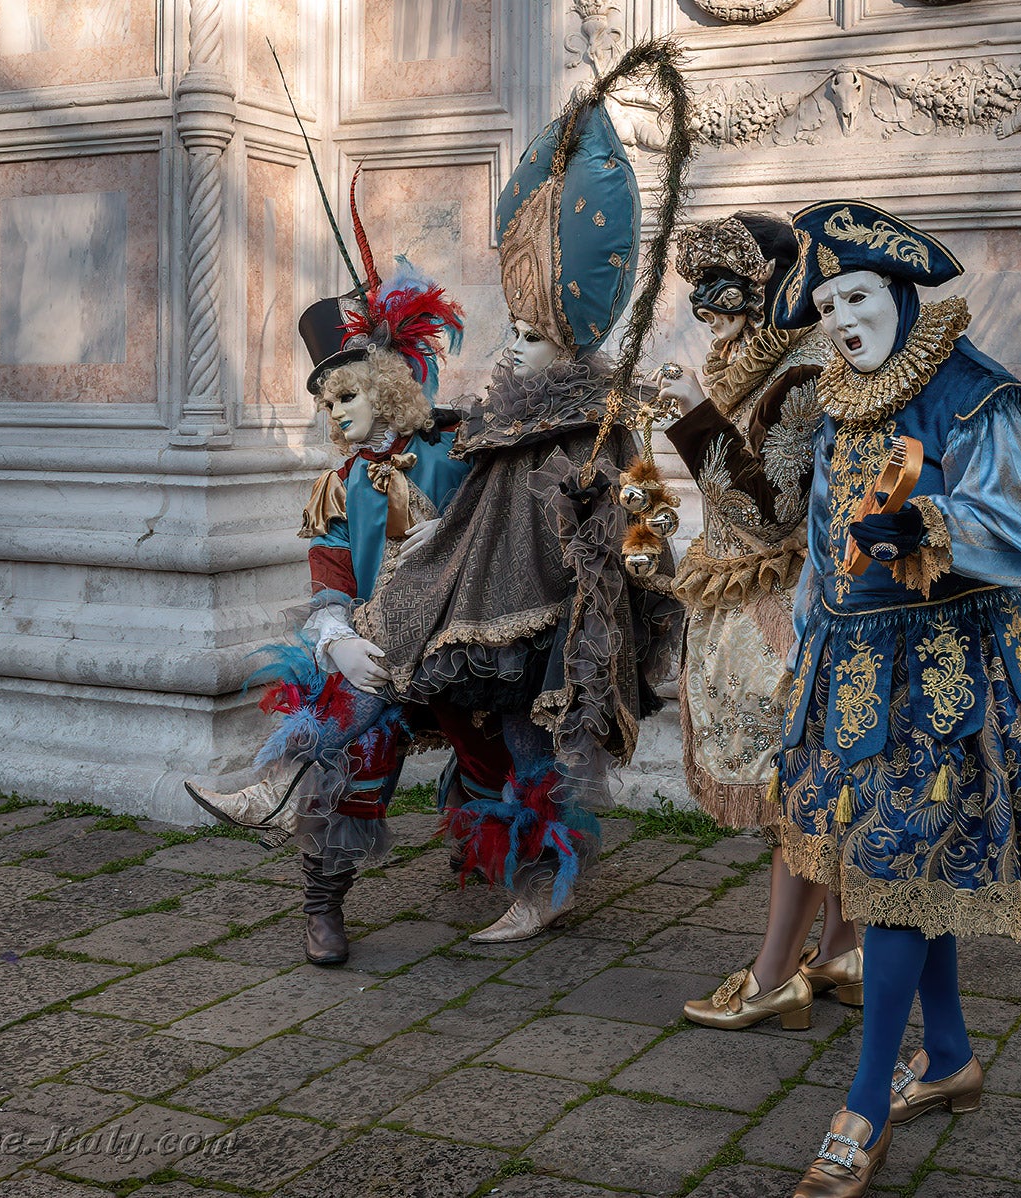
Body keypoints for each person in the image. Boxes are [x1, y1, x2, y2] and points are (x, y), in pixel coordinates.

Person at [769, 201, 1021, 1198]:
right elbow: (825, 538)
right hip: (852, 672)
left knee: (894, 864)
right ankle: (945, 1053)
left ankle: (863, 1104)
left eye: (856, 296)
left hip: (948, 677)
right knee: (903, 867)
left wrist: (931, 524)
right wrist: (807, 645)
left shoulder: (977, 394)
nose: (844, 321)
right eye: (827, 306)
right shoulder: (838, 397)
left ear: (900, 293)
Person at [356, 42, 692, 944]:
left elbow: (637, 513)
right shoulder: (507, 410)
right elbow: (469, 453)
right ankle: (491, 858)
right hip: (483, 606)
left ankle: (548, 886)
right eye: (508, 330)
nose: (509, 348)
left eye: (527, 334)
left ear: (568, 340)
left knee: (542, 746)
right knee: (479, 728)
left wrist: (626, 598)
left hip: (554, 621)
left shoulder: (594, 419)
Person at [184, 188, 470, 968]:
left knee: (499, 737)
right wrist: (335, 633)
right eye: (325, 402)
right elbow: (331, 578)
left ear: (390, 385)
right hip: (384, 647)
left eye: (347, 395)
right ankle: (322, 902)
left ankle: (267, 790)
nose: (334, 413)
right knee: (360, 735)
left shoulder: (455, 450)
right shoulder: (338, 485)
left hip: (468, 635)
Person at [652, 213, 861, 1031]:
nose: (715, 327)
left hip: (792, 605)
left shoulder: (806, 369)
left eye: (728, 308)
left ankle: (776, 975)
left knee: (800, 788)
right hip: (754, 600)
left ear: (769, 292)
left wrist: (698, 417)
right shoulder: (757, 358)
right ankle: (842, 947)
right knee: (814, 784)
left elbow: (772, 511)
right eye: (706, 314)